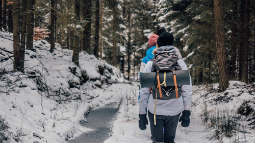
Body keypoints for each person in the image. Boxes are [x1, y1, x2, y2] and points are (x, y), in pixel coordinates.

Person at [138, 32, 192, 143]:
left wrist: (142, 114)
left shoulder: (151, 64)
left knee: (157, 141)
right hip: (174, 110)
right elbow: (187, 89)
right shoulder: (180, 63)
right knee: (169, 140)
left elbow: (144, 92)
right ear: (172, 45)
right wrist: (187, 111)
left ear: (158, 45)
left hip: (155, 110)